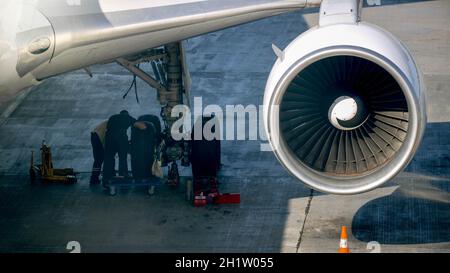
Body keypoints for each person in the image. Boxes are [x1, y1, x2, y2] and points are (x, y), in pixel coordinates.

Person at [102, 110, 136, 184]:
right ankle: (123, 175)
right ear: (127, 114)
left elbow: (107, 128)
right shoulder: (128, 117)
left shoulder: (112, 117)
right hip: (121, 138)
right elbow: (137, 124)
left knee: (109, 158)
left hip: (109, 138)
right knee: (122, 157)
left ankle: (107, 177)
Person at [90, 120, 107, 184]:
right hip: (98, 138)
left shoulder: (110, 121)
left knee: (98, 159)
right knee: (99, 159)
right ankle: (94, 178)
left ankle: (94, 177)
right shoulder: (115, 124)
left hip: (94, 136)